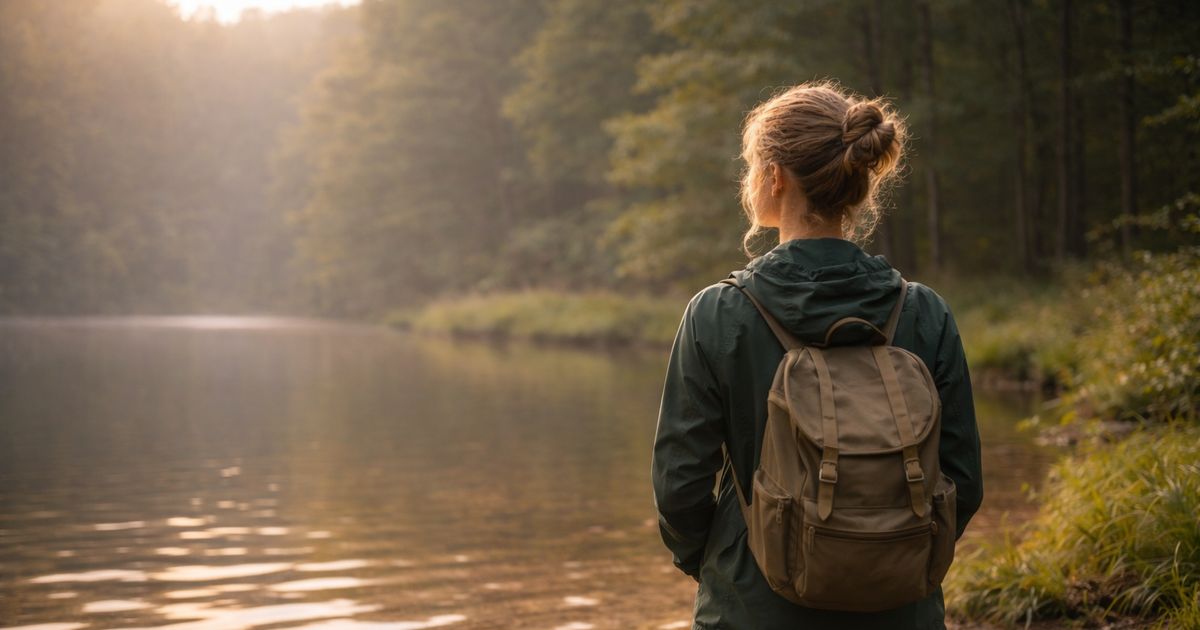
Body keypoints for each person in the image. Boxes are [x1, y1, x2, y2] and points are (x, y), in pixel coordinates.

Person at [650, 79, 984, 629]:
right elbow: (962, 481)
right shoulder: (924, 311)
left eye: (751, 166)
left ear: (775, 177)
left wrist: (718, 566)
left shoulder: (718, 313)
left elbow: (679, 487)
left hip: (752, 608)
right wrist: (891, 560)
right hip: (900, 610)